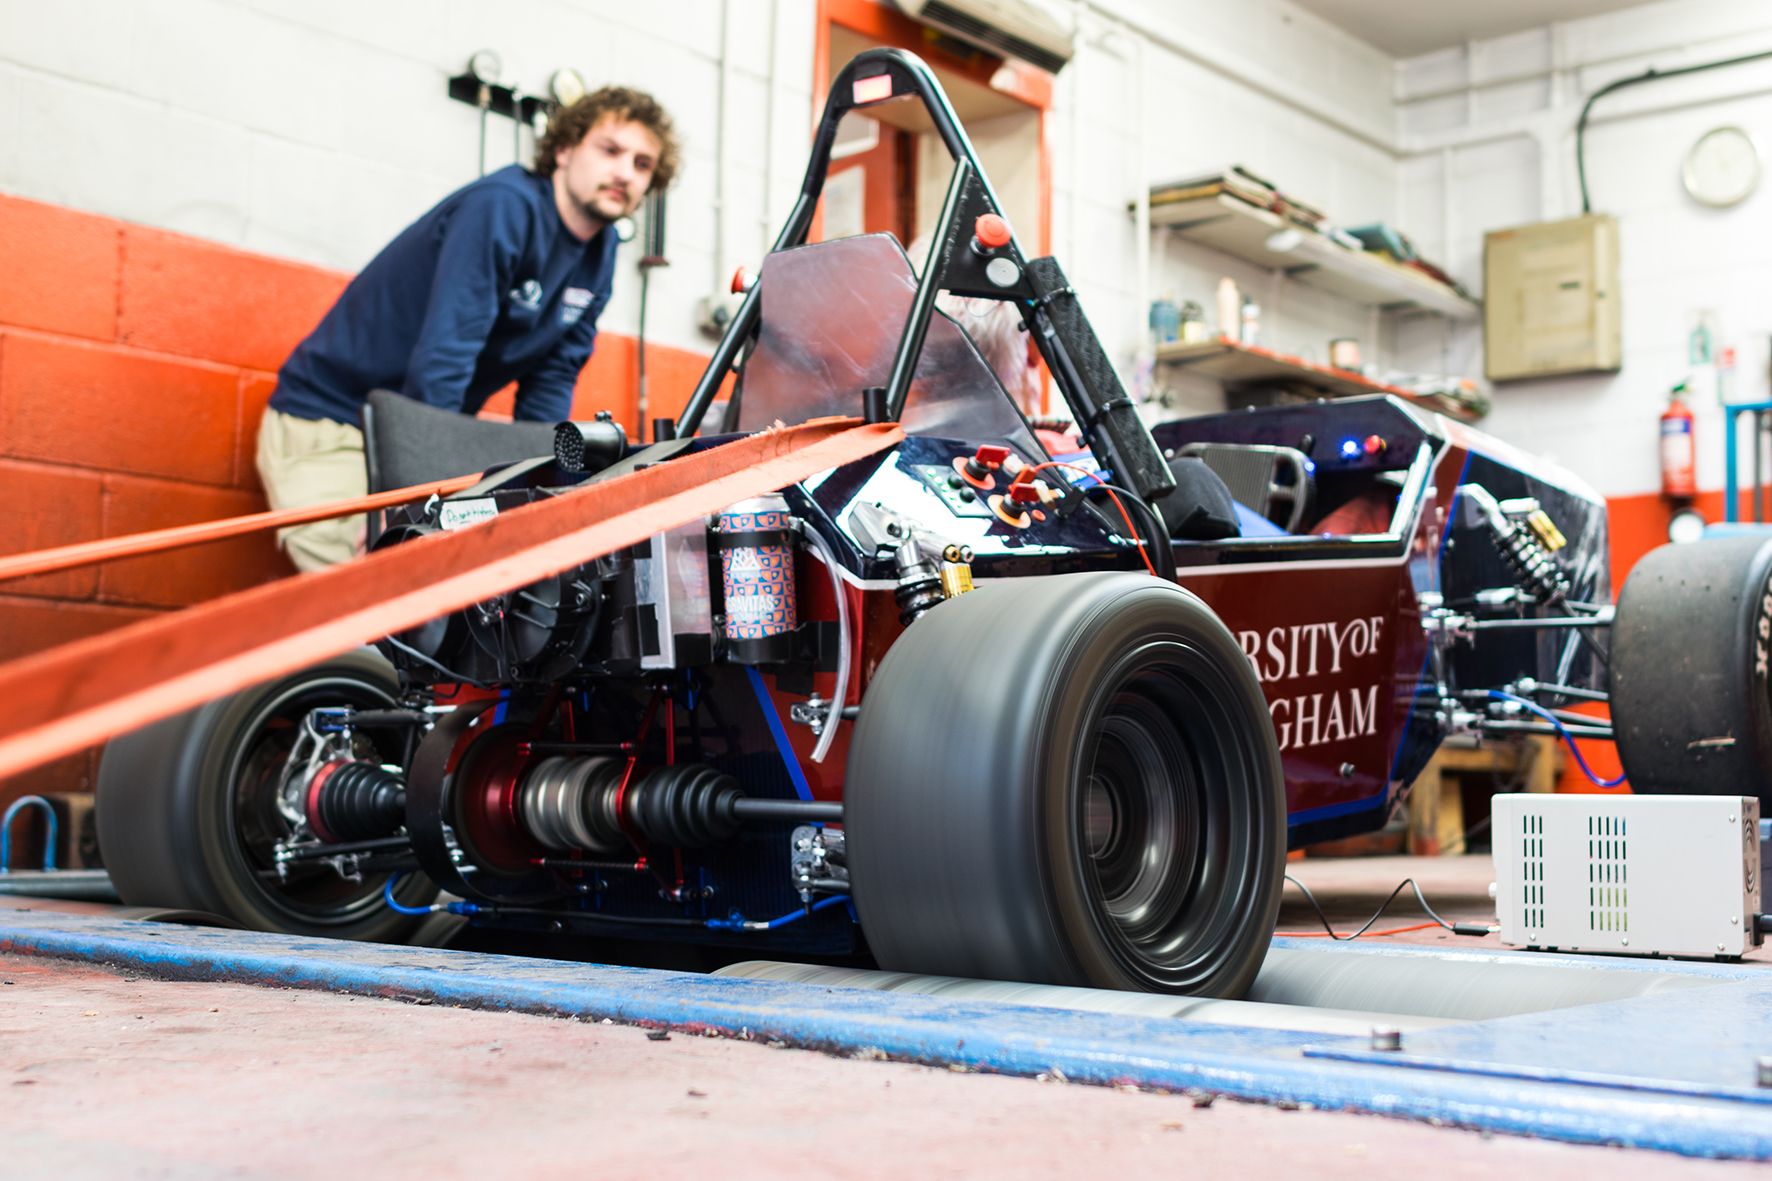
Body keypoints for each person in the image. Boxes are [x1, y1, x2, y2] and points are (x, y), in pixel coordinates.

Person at [256, 85, 679, 572]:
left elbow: (550, 389)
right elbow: (444, 358)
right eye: (610, 150)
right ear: (564, 149)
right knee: (376, 602)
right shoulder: (503, 207)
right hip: (332, 427)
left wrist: (540, 497)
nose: (625, 172)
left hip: (413, 432)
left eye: (643, 164)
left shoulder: (600, 254)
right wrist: (406, 509)